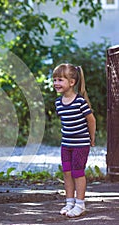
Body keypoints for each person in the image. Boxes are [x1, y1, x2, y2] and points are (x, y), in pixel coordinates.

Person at [53, 63, 96, 218]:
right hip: (66, 144)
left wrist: (92, 139)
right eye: (55, 80)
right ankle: (69, 202)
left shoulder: (80, 102)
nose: (56, 83)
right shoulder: (58, 103)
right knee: (66, 172)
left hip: (81, 144)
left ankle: (80, 204)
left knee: (78, 173)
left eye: (60, 80)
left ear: (71, 82)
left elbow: (91, 120)